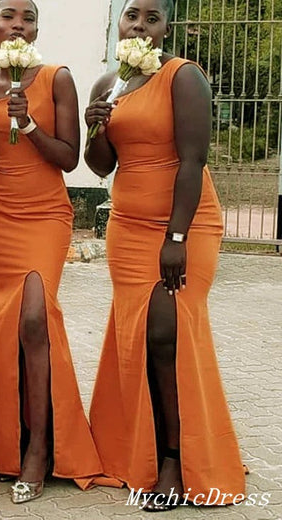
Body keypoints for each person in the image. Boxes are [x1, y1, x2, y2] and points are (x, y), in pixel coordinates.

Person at [84, 0, 246, 512]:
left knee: (165, 333)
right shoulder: (107, 85)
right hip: (128, 229)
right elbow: (100, 165)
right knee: (143, 338)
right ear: (119, 23)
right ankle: (147, 449)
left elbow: (193, 159)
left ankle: (176, 460)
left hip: (186, 225)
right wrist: (94, 125)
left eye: (151, 18)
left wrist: (176, 237)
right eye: (132, 15)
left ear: (165, 28)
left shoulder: (183, 77)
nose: (140, 25)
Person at [0, 0, 103, 505]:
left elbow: (69, 158)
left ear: (36, 30)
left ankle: (40, 447)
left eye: (28, 19)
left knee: (34, 317)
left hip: (46, 212)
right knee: (7, 325)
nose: (18, 25)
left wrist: (27, 125)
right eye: (9, 16)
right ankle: (4, 442)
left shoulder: (57, 78)